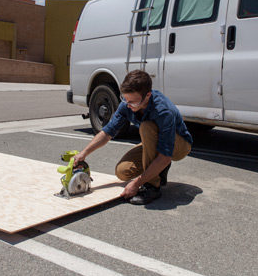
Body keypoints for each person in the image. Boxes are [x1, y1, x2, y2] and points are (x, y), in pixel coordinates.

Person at [73, 70, 193, 205]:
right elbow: (107, 133)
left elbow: (165, 156)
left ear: (147, 95)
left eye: (133, 102)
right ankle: (158, 170)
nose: (128, 105)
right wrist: (83, 154)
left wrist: (137, 183)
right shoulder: (127, 104)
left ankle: (152, 187)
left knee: (147, 127)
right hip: (157, 143)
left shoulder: (163, 111)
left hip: (180, 146)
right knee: (123, 172)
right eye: (125, 99)